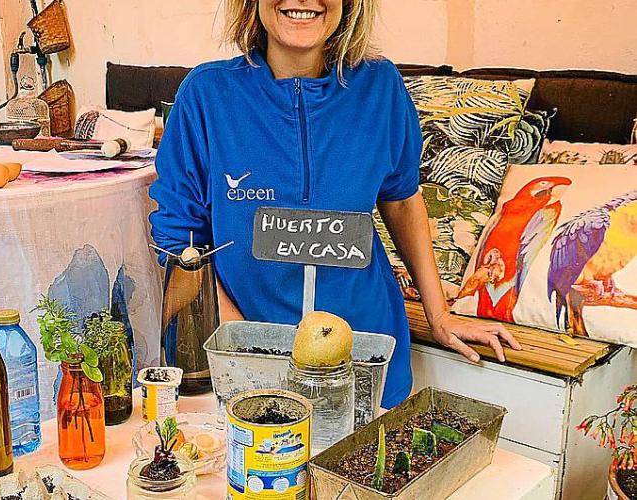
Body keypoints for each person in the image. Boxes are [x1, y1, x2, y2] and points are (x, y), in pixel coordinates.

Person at [150, 0, 521, 407]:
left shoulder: (381, 87)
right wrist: (246, 346)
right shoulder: (206, 95)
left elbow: (401, 199)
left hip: (365, 361)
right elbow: (181, 241)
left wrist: (439, 314)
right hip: (248, 367)